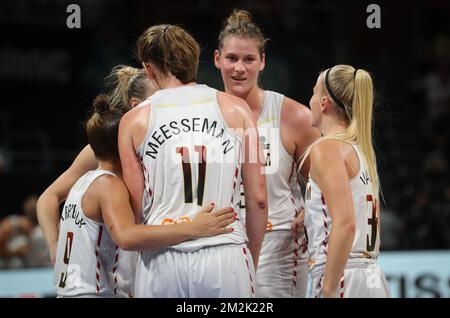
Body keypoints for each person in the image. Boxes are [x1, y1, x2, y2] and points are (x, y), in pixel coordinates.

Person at [119, 24, 268, 298]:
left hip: (162, 259)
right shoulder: (237, 110)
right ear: (194, 60)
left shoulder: (133, 120)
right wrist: (249, 256)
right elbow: (258, 198)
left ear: (148, 68)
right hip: (225, 253)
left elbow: (134, 211)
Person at [52, 94, 235, 298]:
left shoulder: (82, 183)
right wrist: (193, 228)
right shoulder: (108, 185)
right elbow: (126, 237)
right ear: (122, 145)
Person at [214, 9, 320, 297]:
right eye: (232, 58)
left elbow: (326, 181)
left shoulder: (294, 116)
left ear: (262, 62)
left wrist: (309, 211)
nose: (239, 68)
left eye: (249, 59)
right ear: (217, 59)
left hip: (279, 244)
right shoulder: (203, 114)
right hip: (220, 242)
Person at [37, 65, 154, 263]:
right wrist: (54, 245)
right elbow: (48, 197)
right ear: (136, 105)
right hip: (118, 266)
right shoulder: (104, 150)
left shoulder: (172, 145)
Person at [300, 64, 391, 298]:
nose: (309, 99)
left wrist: (329, 288)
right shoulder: (359, 151)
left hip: (342, 276)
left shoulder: (326, 148)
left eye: (313, 92)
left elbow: (346, 223)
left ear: (323, 103)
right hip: (371, 276)